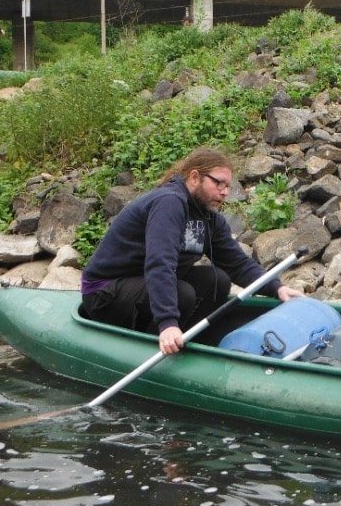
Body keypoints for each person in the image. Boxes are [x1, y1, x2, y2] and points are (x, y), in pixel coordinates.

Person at [81, 147, 302, 355]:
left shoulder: (208, 217)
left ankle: (188, 342)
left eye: (227, 186)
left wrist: (276, 287)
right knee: (182, 294)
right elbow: (160, 263)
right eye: (219, 184)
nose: (224, 192)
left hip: (143, 285)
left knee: (217, 280)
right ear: (195, 177)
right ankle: (154, 343)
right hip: (104, 292)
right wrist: (167, 322)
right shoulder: (168, 203)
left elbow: (237, 262)